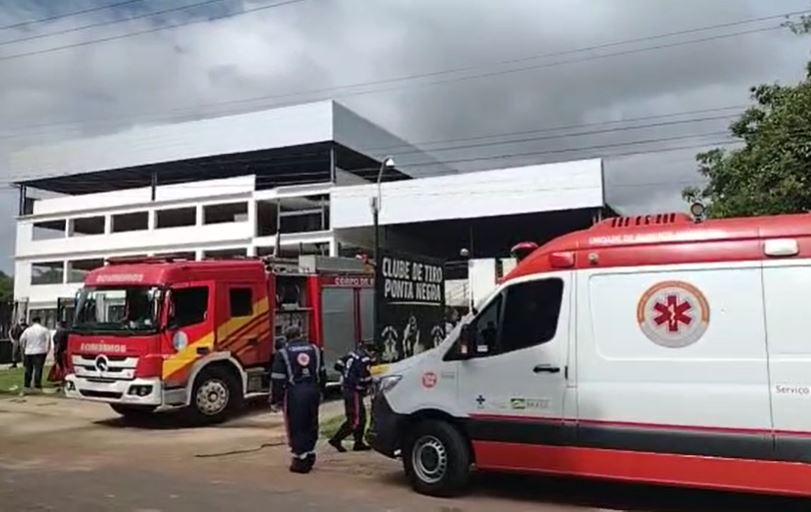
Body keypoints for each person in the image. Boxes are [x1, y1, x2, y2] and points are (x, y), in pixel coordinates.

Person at [270, 325, 326, 474]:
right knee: (311, 421)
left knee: (296, 424)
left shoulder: (283, 353)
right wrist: (321, 391)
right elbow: (322, 373)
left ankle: (300, 459)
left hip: (295, 393)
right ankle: (310, 452)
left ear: (286, 338)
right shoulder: (315, 349)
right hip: (313, 390)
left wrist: (276, 400)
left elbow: (278, 379)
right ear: (301, 335)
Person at [328, 343, 373, 453]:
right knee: (355, 419)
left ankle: (358, 442)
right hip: (354, 391)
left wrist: (346, 373)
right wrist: (367, 386)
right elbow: (365, 378)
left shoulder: (352, 355)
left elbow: (337, 365)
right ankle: (336, 439)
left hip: (347, 388)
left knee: (362, 417)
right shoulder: (365, 359)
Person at [19, 317, 51, 393]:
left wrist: (24, 347)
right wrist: (47, 350)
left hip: (29, 351)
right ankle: (37, 384)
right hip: (40, 351)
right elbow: (48, 340)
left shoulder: (28, 330)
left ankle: (27, 384)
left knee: (28, 369)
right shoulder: (44, 330)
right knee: (38, 369)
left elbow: (21, 340)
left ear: (32, 321)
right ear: (40, 321)